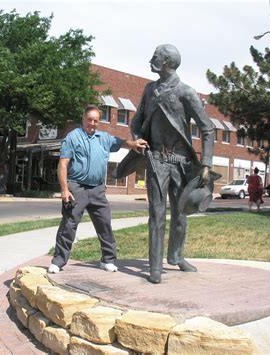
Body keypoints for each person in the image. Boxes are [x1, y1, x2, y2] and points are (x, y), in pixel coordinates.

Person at [117, 44, 215, 284]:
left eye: (156, 57)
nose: (151, 59)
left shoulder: (186, 92)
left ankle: (176, 256)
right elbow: (137, 120)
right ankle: (155, 266)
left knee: (180, 214)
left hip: (181, 164)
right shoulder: (149, 90)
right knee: (156, 214)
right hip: (156, 160)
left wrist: (206, 164)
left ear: (168, 62)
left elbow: (208, 129)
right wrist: (138, 137)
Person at [48, 105, 147, 274]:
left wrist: (133, 143)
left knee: (104, 224)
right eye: (89, 120)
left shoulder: (104, 138)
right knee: (69, 225)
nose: (92, 123)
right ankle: (58, 261)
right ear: (83, 119)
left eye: (95, 121)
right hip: (76, 187)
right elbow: (63, 164)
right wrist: (65, 190)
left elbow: (121, 142)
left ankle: (107, 260)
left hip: (97, 190)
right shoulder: (72, 137)